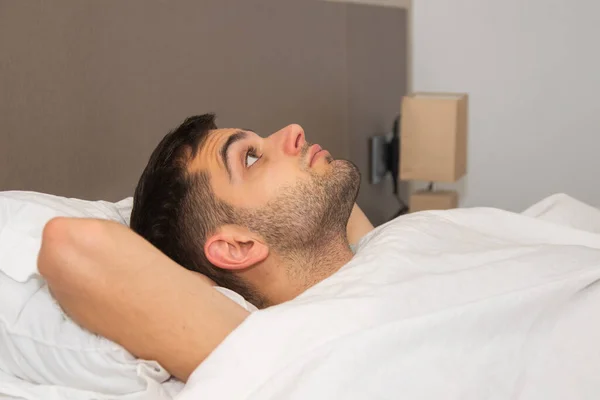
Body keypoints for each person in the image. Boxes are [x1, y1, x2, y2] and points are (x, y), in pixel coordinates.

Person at [38, 114, 374, 381]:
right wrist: (202, 287)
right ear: (237, 246)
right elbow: (69, 246)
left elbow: (321, 200)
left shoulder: (390, 242)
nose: (294, 130)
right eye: (252, 158)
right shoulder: (277, 353)